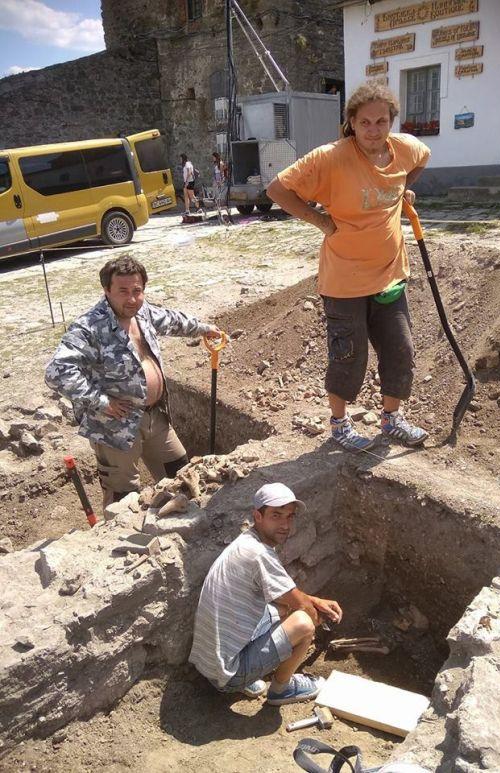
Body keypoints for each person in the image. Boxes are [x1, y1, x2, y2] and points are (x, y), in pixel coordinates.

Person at [267, 81, 431, 452]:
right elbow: (277, 190)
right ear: (352, 123)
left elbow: (422, 158)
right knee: (349, 356)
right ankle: (339, 425)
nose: (374, 130)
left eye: (381, 122)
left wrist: (403, 189)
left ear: (392, 122)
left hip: (390, 273)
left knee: (399, 351)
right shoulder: (331, 157)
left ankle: (392, 420)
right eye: (366, 123)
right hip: (343, 281)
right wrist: (320, 221)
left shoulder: (404, 148)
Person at [45, 256, 222, 506]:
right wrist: (100, 401)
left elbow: (172, 320)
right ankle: (123, 544)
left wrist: (204, 328)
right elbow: (56, 371)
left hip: (155, 417)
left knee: (182, 475)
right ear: (107, 290)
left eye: (137, 291)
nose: (131, 299)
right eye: (123, 291)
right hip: (115, 427)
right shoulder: (88, 328)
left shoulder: (143, 312)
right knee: (123, 498)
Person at [190, 482, 343, 704]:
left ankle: (249, 672)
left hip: (209, 663)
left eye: (290, 516)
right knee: (303, 623)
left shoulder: (246, 542)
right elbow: (304, 608)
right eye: (276, 515)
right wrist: (317, 617)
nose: (285, 525)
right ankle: (281, 689)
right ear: (257, 516)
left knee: (282, 608)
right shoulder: (258, 554)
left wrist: (315, 600)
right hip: (227, 675)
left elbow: (290, 597)